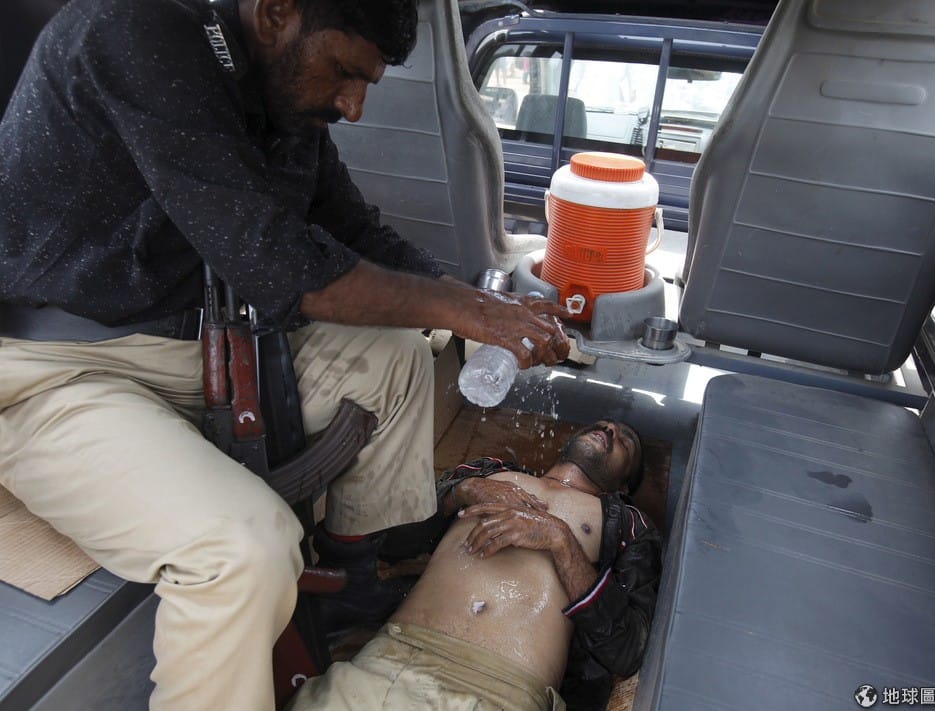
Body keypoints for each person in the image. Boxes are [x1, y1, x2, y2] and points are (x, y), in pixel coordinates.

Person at [0, 0, 569, 709]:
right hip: (57, 370)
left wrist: (481, 306)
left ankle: (352, 584)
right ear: (275, 14)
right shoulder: (135, 29)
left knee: (396, 356)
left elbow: (354, 232)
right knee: (242, 552)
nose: (353, 106)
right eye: (344, 72)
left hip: (202, 347)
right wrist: (472, 312)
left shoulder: (282, 100)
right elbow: (282, 265)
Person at [288, 420, 664, 711]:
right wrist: (459, 493)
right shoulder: (488, 472)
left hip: (501, 688)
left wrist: (561, 540)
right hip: (389, 659)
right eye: (602, 425)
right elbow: (392, 545)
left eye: (625, 441)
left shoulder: (627, 523)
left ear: (624, 486)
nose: (609, 430)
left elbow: (627, 648)